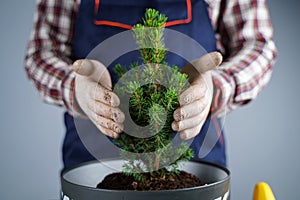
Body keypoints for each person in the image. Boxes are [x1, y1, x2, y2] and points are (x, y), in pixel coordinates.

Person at [24, 0, 277, 170]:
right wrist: (75, 88)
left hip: (197, 164)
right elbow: (42, 51)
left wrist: (217, 89)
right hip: (93, 168)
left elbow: (257, 43)